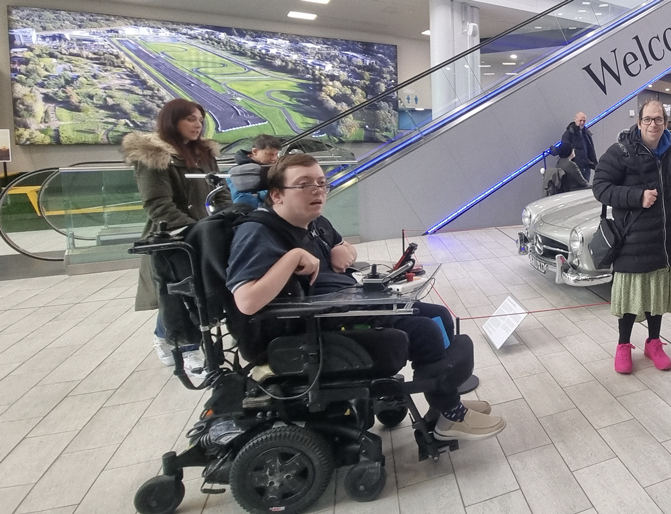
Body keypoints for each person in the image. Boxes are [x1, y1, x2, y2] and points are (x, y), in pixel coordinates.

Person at [226, 153, 505, 441]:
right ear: (276, 195)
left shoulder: (314, 222)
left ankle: (444, 405)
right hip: (311, 326)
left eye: (322, 183)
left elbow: (346, 249)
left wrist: (341, 250)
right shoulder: (258, 233)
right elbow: (246, 302)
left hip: (343, 305)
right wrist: (293, 258)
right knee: (426, 330)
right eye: (304, 184)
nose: (317, 191)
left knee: (438, 314)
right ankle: (451, 416)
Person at [122, 98, 231, 370]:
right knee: (177, 295)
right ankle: (177, 342)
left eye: (200, 119)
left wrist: (228, 220)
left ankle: (188, 342)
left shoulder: (204, 153)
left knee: (202, 293)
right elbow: (158, 204)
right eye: (190, 119)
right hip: (172, 238)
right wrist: (195, 231)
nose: (198, 125)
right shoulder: (153, 156)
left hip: (205, 234)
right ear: (173, 121)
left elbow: (221, 193)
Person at [593, 101, 671, 374]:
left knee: (657, 296)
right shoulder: (621, 152)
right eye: (648, 120)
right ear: (639, 122)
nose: (654, 125)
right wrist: (637, 197)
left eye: (659, 120)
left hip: (665, 241)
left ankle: (653, 343)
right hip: (633, 240)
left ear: (665, 122)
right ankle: (623, 346)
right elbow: (601, 187)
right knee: (631, 298)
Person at [228, 134, 282, 208]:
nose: (275, 159)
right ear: (255, 151)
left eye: (276, 154)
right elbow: (243, 200)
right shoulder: (239, 172)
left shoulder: (271, 167)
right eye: (270, 154)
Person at [561, 112, 597, 184]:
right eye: (580, 120)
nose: (582, 123)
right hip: (574, 169)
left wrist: (593, 163)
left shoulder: (586, 133)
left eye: (584, 121)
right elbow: (565, 151)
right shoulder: (568, 134)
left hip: (585, 167)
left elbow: (590, 149)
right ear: (575, 120)